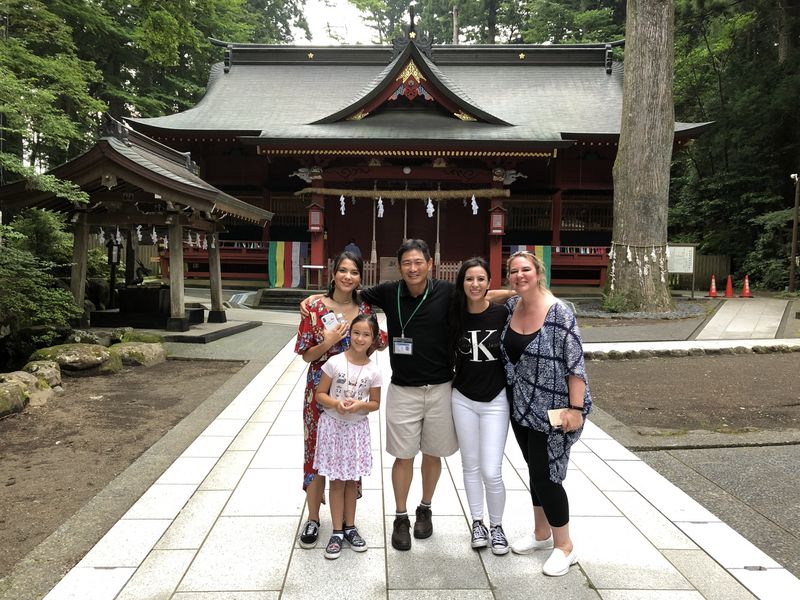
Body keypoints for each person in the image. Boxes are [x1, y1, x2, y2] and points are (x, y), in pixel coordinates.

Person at [303, 239, 512, 551]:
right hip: (403, 388)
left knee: (433, 453)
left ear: (430, 264)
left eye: (419, 262)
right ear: (399, 268)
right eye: (407, 263)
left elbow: (479, 293)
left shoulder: (445, 291)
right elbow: (350, 293)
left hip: (441, 386)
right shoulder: (389, 292)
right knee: (403, 456)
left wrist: (519, 292)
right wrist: (316, 300)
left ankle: (425, 508)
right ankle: (400, 516)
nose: (413, 268)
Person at [499, 250, 592, 577]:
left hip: (554, 408)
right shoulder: (513, 306)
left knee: (547, 475)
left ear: (538, 273)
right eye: (513, 272)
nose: (519, 275)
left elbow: (576, 364)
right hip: (520, 406)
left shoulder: (559, 313)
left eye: (525, 270)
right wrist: (510, 290)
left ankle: (564, 545)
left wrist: (576, 409)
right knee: (533, 468)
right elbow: (490, 295)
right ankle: (541, 533)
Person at [293, 251, 384, 550]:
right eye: (342, 270)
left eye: (354, 272)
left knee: (348, 453)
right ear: (333, 273)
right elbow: (306, 355)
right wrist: (329, 341)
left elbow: (380, 342)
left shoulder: (364, 307)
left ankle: (346, 521)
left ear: (360, 277)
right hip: (320, 392)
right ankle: (314, 517)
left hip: (355, 396)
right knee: (316, 451)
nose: (347, 276)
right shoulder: (315, 307)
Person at [448, 257, 510, 555]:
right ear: (462, 282)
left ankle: (497, 526)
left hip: (496, 399)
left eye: (481, 279)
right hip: (462, 398)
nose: (475, 284)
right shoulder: (454, 314)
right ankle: (477, 523)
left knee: (491, 470)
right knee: (470, 465)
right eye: (469, 279)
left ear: (489, 282)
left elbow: (524, 295)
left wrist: (510, 292)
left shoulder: (502, 314)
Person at [314, 313, 383, 559]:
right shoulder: (334, 362)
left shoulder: (374, 370)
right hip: (333, 426)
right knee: (336, 481)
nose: (360, 338)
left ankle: (350, 526)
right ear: (349, 334)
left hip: (356, 430)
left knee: (352, 480)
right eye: (356, 333)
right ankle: (336, 531)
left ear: (373, 339)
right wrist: (335, 403)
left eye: (366, 334)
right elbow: (320, 394)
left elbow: (375, 403)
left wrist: (358, 406)